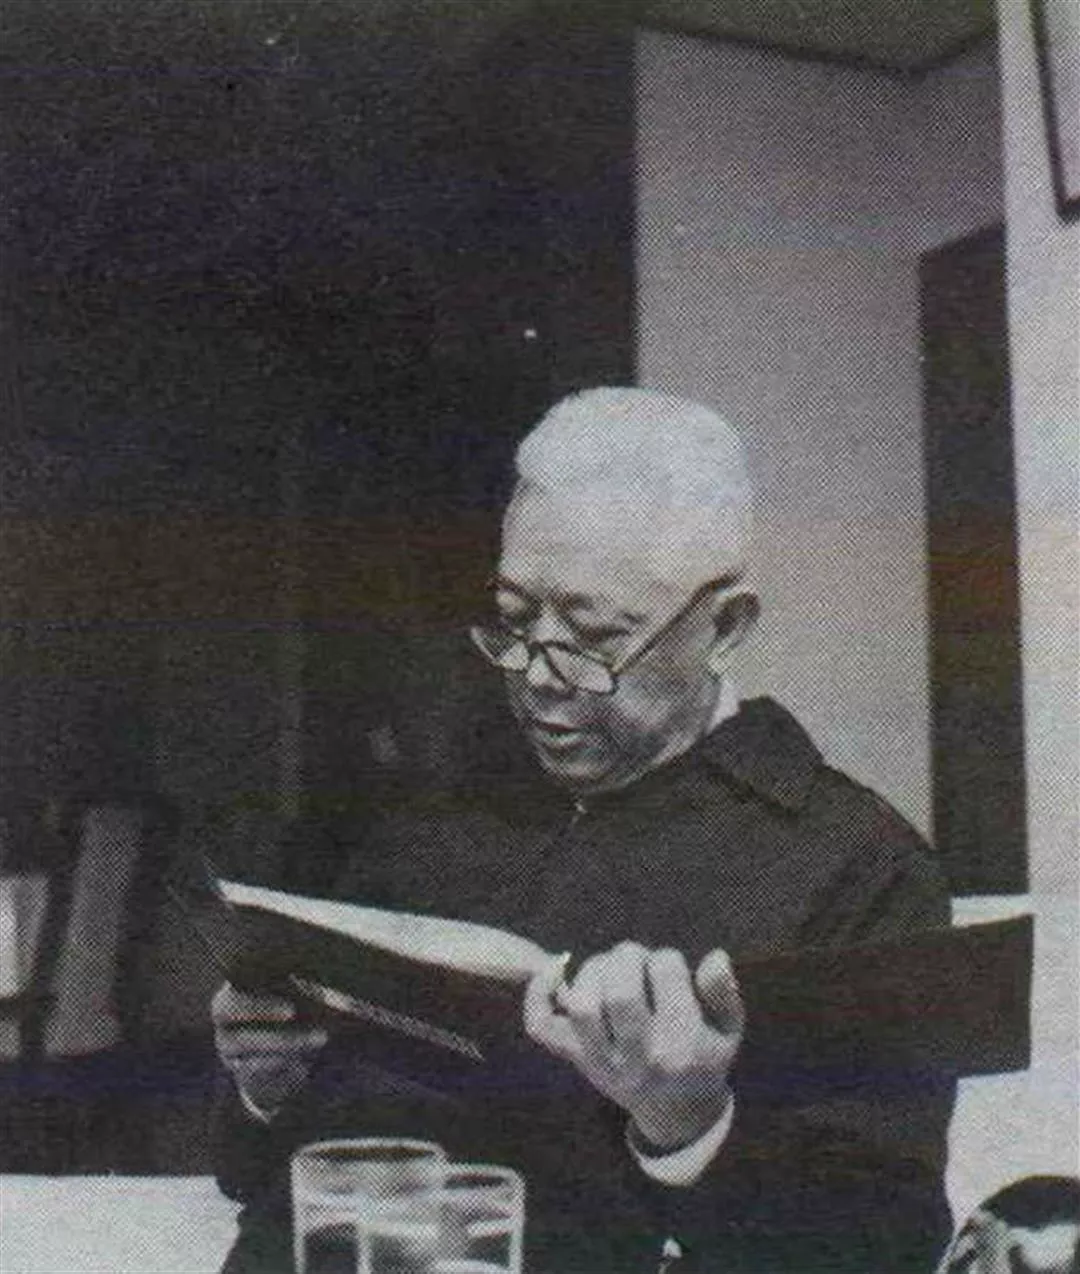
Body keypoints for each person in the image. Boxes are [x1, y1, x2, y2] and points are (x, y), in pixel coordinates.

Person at [212, 387, 955, 1273]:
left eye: (595, 637)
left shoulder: (858, 868)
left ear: (725, 628)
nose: (537, 676)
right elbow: (259, 1180)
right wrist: (267, 1088)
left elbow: (885, 1249)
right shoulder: (430, 823)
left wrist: (690, 1128)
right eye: (514, 620)